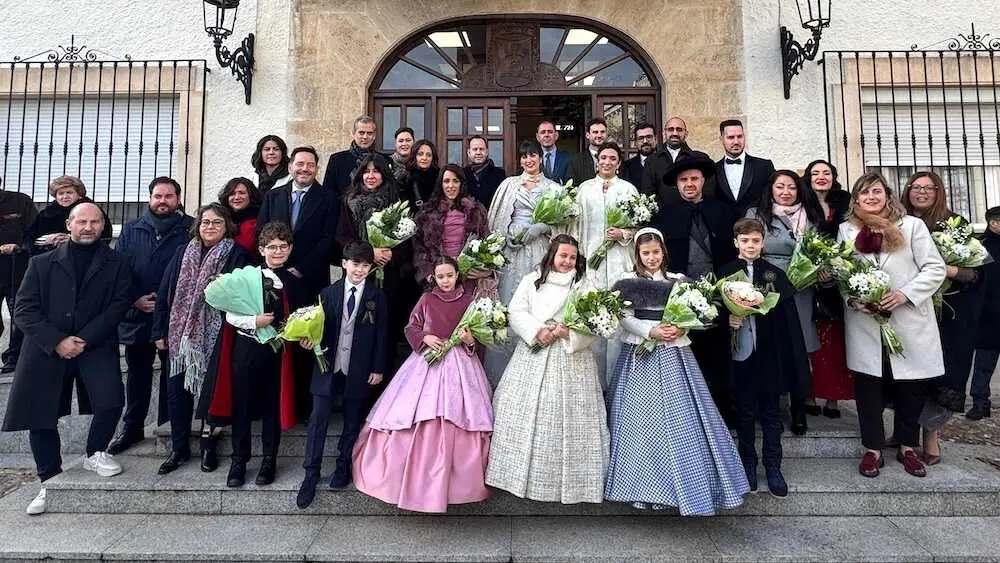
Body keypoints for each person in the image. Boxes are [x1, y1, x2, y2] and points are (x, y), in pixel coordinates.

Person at [606, 228, 749, 515]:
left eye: (656, 252)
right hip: (641, 353)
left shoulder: (679, 282)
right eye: (645, 253)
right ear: (637, 255)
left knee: (680, 416)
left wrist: (682, 326)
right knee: (642, 420)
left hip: (675, 353)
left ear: (664, 253)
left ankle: (689, 485)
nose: (651, 258)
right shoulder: (627, 283)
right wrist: (652, 330)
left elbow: (698, 310)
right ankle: (642, 486)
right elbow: (623, 316)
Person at [2, 202, 131, 516]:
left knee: (111, 400)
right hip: (46, 348)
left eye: (95, 222)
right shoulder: (41, 263)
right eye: (81, 221)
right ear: (69, 225)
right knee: (40, 415)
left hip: (94, 344)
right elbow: (24, 310)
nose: (88, 227)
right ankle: (49, 480)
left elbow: (118, 305)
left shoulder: (117, 262)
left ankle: (94, 451)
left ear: (104, 227)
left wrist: (84, 339)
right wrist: (57, 341)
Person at [353, 257, 493, 513]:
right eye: (441, 277)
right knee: (414, 413)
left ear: (456, 275)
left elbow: (478, 338)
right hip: (425, 363)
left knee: (458, 416)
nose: (446, 281)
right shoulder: (427, 300)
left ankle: (460, 482)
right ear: (434, 279)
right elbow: (411, 327)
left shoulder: (469, 302)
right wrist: (425, 337)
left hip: (460, 365)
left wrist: (469, 339)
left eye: (450, 276)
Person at [838, 172, 945, 479]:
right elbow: (843, 273)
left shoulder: (911, 226)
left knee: (910, 386)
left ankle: (907, 448)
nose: (870, 197)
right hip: (866, 321)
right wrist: (856, 300)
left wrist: (904, 294)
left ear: (887, 195)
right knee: (868, 386)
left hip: (907, 318)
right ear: (856, 199)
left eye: (876, 191)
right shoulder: (847, 231)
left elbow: (934, 268)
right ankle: (872, 450)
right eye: (864, 193)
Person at [486, 235, 608, 504]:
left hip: (572, 359)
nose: (567, 261)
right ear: (552, 255)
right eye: (563, 255)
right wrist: (537, 331)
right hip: (533, 353)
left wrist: (570, 332)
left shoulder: (586, 285)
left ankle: (573, 482)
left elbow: (597, 323)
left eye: (572, 257)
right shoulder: (532, 280)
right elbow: (516, 311)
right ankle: (517, 475)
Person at [152, 203, 249, 476]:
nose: (210, 227)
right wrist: (159, 331)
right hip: (179, 336)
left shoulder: (237, 254)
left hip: (217, 334)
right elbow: (165, 292)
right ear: (198, 225)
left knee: (211, 394)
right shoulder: (183, 251)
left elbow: (241, 295)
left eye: (217, 222)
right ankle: (178, 448)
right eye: (205, 222)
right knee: (176, 393)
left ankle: (208, 445)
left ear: (227, 225)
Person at [720, 218, 809, 497]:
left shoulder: (773, 274)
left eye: (755, 241)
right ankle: (748, 463)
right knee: (744, 412)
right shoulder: (725, 273)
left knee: (770, 413)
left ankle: (773, 465)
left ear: (763, 243)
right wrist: (729, 319)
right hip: (741, 354)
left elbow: (787, 319)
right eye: (745, 241)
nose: (750, 246)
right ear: (736, 242)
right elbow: (712, 313)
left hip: (769, 354)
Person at [903, 170, 986, 464]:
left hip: (946, 313)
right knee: (906, 373)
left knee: (942, 374)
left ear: (939, 192)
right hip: (908, 309)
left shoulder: (955, 225)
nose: (922, 192)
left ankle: (931, 434)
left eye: (929, 188)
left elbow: (976, 273)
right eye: (916, 187)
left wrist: (942, 269)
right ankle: (904, 433)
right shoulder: (897, 223)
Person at [296, 241, 388, 509]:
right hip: (328, 367)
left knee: (352, 419)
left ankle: (342, 465)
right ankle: (310, 473)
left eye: (365, 265)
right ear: (344, 264)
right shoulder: (328, 293)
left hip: (358, 367)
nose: (359, 269)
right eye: (355, 263)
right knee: (318, 419)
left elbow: (382, 334)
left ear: (370, 268)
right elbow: (318, 327)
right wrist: (309, 340)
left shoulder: (377, 296)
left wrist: (377, 367)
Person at [106, 177, 193, 455]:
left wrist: (170, 304)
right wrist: (135, 299)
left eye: (169, 196)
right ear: (149, 199)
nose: (163, 201)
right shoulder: (132, 230)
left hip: (173, 316)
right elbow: (118, 269)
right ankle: (132, 428)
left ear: (178, 199)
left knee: (174, 376)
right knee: (137, 374)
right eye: (158, 196)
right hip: (139, 315)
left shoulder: (190, 228)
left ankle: (170, 428)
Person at [218, 221, 305, 488]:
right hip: (247, 348)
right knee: (242, 405)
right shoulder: (246, 276)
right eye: (271, 247)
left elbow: (305, 314)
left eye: (282, 247)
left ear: (290, 249)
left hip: (278, 351)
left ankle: (269, 460)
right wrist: (253, 321)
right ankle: (239, 460)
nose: (277, 252)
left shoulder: (296, 280)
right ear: (261, 249)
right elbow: (229, 311)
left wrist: (305, 332)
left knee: (271, 406)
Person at [653, 154, 737, 424]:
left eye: (694, 179)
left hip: (718, 295)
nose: (689, 184)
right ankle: (689, 416)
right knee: (687, 356)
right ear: (677, 185)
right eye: (683, 180)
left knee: (720, 356)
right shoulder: (665, 216)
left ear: (703, 181)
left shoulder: (722, 212)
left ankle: (722, 415)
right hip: (681, 298)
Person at [744, 170, 825, 435]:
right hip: (766, 286)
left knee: (797, 347)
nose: (786, 191)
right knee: (769, 346)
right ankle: (770, 407)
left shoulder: (810, 217)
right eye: (780, 186)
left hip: (799, 291)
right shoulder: (756, 214)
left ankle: (798, 408)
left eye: (792, 187)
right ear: (772, 189)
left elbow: (818, 251)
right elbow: (748, 247)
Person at [485, 139, 561, 384]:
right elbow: (496, 216)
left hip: (539, 248)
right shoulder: (509, 185)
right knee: (508, 302)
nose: (529, 160)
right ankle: (502, 374)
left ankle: (534, 365)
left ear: (541, 158)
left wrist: (541, 227)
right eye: (525, 156)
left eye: (533, 155)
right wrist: (506, 236)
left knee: (537, 303)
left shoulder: (553, 188)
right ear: (520, 161)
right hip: (511, 250)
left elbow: (563, 222)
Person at [336, 153, 414, 374]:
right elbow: (342, 238)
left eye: (376, 171)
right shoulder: (348, 202)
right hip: (358, 274)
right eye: (367, 171)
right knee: (355, 327)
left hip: (388, 277)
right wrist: (370, 253)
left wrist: (392, 255)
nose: (371, 176)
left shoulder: (396, 202)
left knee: (385, 331)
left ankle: (382, 383)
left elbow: (407, 240)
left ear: (384, 175)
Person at [570, 141, 637, 383]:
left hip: (620, 260)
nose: (607, 162)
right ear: (596, 162)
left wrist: (624, 234)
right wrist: (578, 256)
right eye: (603, 158)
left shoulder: (628, 189)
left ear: (619, 164)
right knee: (594, 314)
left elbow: (637, 226)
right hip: (592, 261)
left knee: (620, 316)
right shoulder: (585, 189)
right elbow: (575, 225)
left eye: (612, 158)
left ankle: (618, 381)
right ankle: (596, 382)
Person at [803, 159, 853, 418]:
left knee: (833, 340)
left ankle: (833, 398)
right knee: (808, 335)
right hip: (806, 277)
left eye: (826, 173)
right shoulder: (801, 203)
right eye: (815, 173)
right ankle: (809, 393)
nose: (821, 177)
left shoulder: (845, 202)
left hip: (836, 278)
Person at [258, 146, 338, 302]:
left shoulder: (329, 198)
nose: (305, 169)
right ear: (290, 167)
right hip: (275, 276)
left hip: (311, 277)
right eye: (300, 164)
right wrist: (274, 262)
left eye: (310, 165)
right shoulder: (273, 196)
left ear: (317, 169)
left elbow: (328, 239)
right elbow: (261, 232)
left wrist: (301, 269)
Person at [413, 164, 490, 284]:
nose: (451, 186)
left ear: (461, 184)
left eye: (455, 181)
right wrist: (428, 273)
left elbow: (486, 242)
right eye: (446, 181)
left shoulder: (476, 211)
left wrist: (482, 268)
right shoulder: (427, 213)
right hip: (439, 277)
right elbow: (419, 248)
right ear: (441, 184)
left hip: (469, 275)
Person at [323, 116, 380, 261]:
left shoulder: (383, 160)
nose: (365, 137)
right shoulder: (337, 160)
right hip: (346, 227)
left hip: (378, 226)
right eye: (361, 133)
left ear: (374, 135)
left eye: (369, 133)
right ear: (353, 134)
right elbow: (329, 194)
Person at [0, 177, 36, 375]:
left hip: (18, 269)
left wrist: (21, 247)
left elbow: (34, 232)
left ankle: (13, 357)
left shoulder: (19, 201)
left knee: (19, 317)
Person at [25, 175, 113, 255]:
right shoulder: (47, 213)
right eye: (61, 193)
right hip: (48, 258)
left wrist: (72, 239)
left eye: (69, 192)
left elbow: (105, 235)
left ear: (79, 194)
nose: (65, 196)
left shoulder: (91, 209)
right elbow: (30, 237)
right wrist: (47, 239)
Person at [968, 205, 1000, 421]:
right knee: (983, 362)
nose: (996, 224)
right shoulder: (982, 246)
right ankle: (980, 402)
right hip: (989, 313)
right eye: (993, 220)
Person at [712, 120, 776, 219]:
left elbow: (773, 196)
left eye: (740, 136)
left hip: (757, 226)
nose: (736, 142)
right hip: (723, 228)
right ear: (721, 139)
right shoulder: (713, 169)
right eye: (730, 137)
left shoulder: (764, 166)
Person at [640, 116, 696, 207]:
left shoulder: (698, 159)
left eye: (679, 129)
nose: (675, 133)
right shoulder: (651, 161)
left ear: (686, 134)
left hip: (692, 215)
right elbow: (648, 193)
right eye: (670, 129)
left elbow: (706, 191)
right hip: (662, 216)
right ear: (664, 134)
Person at [219, 177, 263, 258]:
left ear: (251, 195)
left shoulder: (259, 219)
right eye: (232, 193)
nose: (236, 197)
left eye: (241, 193)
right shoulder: (221, 219)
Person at [464, 135, 506, 208]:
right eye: (475, 149)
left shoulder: (499, 174)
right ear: (469, 152)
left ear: (486, 152)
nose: (478, 152)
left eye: (481, 149)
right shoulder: (462, 173)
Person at [401, 139, 440, 211]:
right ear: (414, 156)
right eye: (420, 154)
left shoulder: (440, 178)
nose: (424, 158)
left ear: (433, 158)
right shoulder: (405, 179)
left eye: (428, 155)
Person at [569, 118, 608, 186]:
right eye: (595, 132)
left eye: (602, 132)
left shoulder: (616, 159)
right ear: (587, 135)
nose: (599, 135)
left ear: (606, 134)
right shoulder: (576, 160)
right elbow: (572, 187)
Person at [620, 122, 656, 188]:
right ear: (636, 142)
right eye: (641, 138)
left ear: (655, 139)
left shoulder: (666, 163)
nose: (645, 141)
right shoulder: (626, 167)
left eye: (649, 137)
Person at [536, 120, 572, 184]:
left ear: (556, 135)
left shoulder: (568, 157)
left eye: (550, 132)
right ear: (538, 137)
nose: (546, 135)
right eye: (543, 132)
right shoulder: (532, 158)